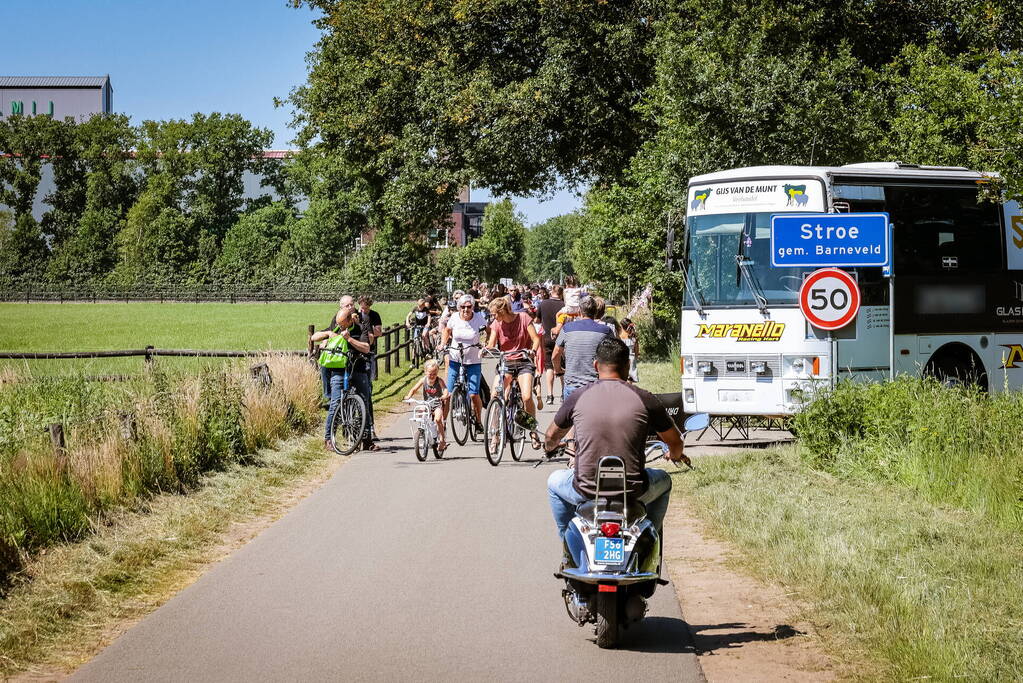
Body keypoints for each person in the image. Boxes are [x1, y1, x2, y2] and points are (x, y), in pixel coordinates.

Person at [544, 337, 690, 541]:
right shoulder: (645, 398)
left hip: (585, 489)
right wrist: (673, 454)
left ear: (596, 365)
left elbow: (551, 436)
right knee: (664, 480)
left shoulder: (578, 396)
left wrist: (550, 448)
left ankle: (567, 540)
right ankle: (650, 536)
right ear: (628, 365)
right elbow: (675, 442)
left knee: (554, 481)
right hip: (633, 491)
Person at [314, 309, 372, 452]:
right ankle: (328, 439)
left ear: (350, 320)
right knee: (335, 404)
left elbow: (366, 348)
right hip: (339, 372)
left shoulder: (360, 328)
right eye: (339, 324)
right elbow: (314, 337)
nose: (341, 327)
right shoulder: (336, 327)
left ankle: (367, 441)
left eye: (343, 324)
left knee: (364, 402)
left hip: (358, 369)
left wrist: (350, 339)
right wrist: (328, 335)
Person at [486, 296, 542, 435]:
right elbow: (491, 344)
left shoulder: (523, 318)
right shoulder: (496, 324)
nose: (493, 317)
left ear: (502, 311)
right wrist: (485, 349)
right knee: (495, 395)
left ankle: (532, 430)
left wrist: (532, 352)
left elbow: (536, 339)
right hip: (506, 363)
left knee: (527, 397)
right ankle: (495, 434)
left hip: (523, 362)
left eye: (494, 314)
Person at [551, 295, 614, 400]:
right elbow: (615, 355)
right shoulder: (606, 331)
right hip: (596, 386)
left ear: (579, 312)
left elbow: (555, 354)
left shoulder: (567, 329)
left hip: (572, 386)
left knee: (567, 415)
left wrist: (558, 370)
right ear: (595, 312)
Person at [440, 293, 488, 426]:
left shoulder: (478, 318)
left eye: (468, 306)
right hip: (455, 359)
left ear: (472, 306)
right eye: (462, 307)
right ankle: (442, 423)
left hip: (473, 360)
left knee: (473, 394)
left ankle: (478, 421)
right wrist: (443, 344)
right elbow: (447, 330)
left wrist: (486, 343)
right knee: (448, 394)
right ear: (458, 307)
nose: (465, 310)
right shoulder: (454, 317)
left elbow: (489, 331)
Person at [344, 294, 379, 451]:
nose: (362, 309)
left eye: (366, 307)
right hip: (346, 363)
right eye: (360, 306)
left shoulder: (368, 318)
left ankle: (368, 435)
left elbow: (371, 340)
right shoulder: (342, 319)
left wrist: (363, 328)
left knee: (366, 397)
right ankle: (348, 432)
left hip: (363, 360)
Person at [403, 358, 449, 452]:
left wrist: (444, 396)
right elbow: (414, 389)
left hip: (436, 404)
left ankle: (442, 440)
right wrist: (409, 396)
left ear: (437, 373)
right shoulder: (423, 380)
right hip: (426, 404)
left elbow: (445, 389)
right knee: (420, 417)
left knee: (437, 419)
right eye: (430, 374)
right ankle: (423, 432)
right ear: (425, 372)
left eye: (434, 374)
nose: (432, 376)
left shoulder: (439, 381)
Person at [539, 285, 565, 406]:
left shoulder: (543, 304)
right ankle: (564, 394)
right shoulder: (564, 306)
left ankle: (550, 395)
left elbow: (537, 320)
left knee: (549, 366)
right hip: (562, 339)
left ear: (551, 292)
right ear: (561, 293)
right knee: (562, 366)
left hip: (547, 338)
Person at [357, 295, 383, 384]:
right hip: (356, 346)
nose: (364, 310)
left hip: (370, 348)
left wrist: (369, 328)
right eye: (362, 308)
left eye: (366, 308)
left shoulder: (374, 315)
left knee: (368, 373)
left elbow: (379, 333)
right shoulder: (355, 315)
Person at [620, 317, 640, 382]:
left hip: (622, 359)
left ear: (621, 326)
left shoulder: (619, 337)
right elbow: (636, 351)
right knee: (630, 380)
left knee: (622, 378)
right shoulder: (633, 337)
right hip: (631, 359)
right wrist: (635, 358)